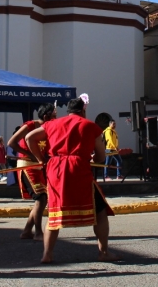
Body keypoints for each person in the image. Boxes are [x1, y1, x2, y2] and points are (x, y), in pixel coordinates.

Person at [25, 95, 118, 264]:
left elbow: (29, 138)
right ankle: (103, 252)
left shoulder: (51, 124)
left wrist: (41, 159)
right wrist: (91, 159)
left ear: (67, 111)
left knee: (54, 212)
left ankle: (47, 254)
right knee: (100, 211)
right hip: (78, 168)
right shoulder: (91, 126)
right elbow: (101, 157)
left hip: (55, 170)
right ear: (83, 110)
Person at [7, 103, 57, 240]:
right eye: (54, 116)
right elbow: (11, 143)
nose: (56, 118)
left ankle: (27, 231)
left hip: (40, 166)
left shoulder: (49, 128)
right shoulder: (30, 126)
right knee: (41, 198)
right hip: (27, 166)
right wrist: (27, 154)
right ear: (46, 116)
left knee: (41, 199)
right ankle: (39, 232)